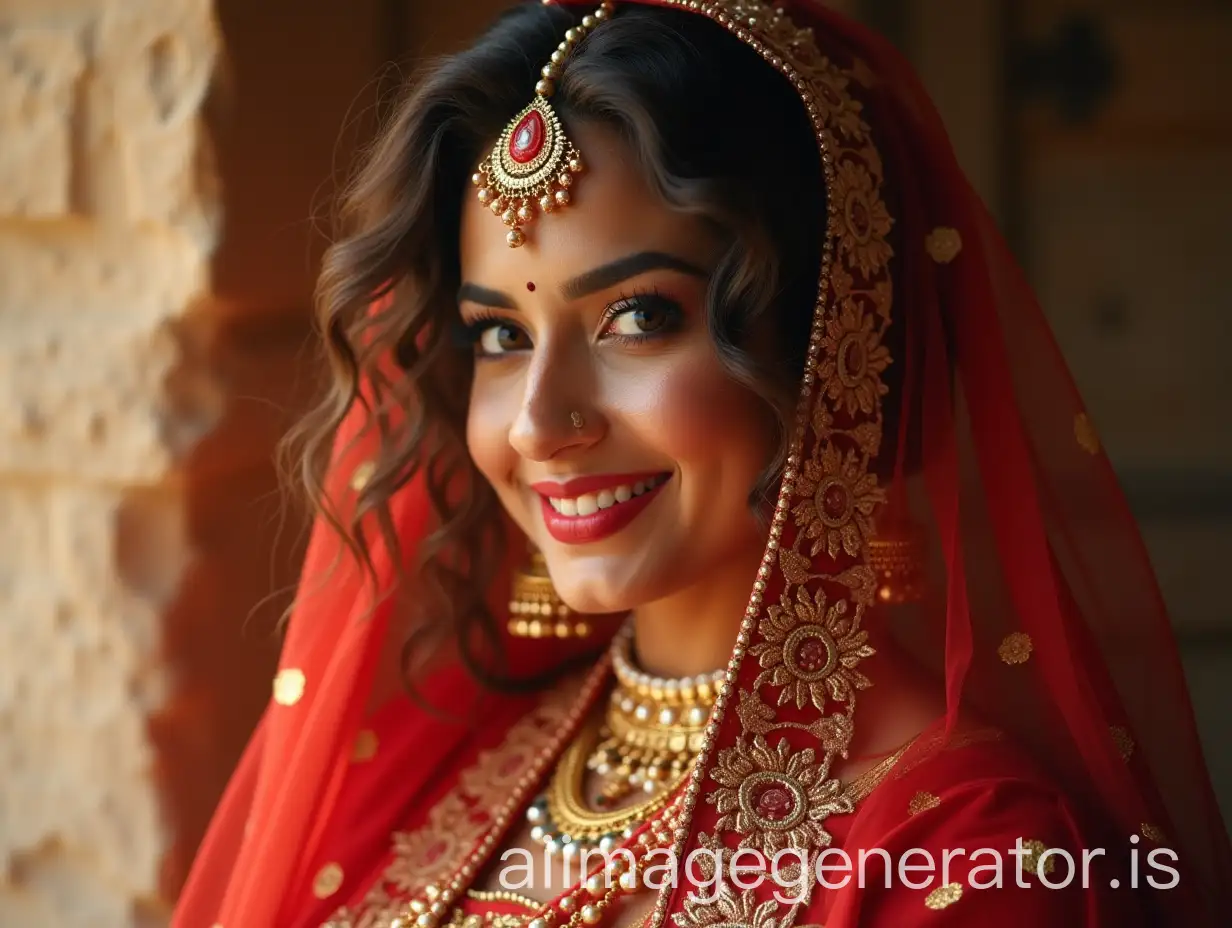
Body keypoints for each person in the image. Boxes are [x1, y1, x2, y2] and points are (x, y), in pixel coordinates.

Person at [173, 1, 1232, 926]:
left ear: (826, 340)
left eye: (636, 317)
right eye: (499, 335)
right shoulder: (468, 751)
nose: (542, 420)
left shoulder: (968, 856)